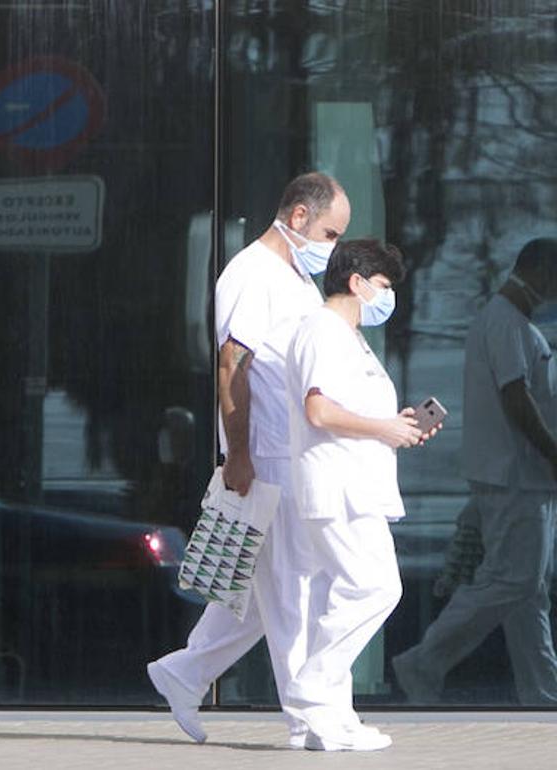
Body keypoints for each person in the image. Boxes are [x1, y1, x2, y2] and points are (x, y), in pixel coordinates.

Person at [146, 172, 349, 748]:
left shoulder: (293, 278)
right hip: (266, 456)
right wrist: (238, 454)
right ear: (299, 216)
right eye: (331, 231)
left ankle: (183, 673)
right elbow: (232, 365)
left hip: (289, 453)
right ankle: (309, 721)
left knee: (265, 591)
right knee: (289, 588)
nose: (332, 245)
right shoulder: (250, 274)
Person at [392, 237, 557, 705]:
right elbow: (516, 397)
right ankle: (424, 662)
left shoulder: (510, 323)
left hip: (520, 478)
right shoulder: (506, 323)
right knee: (512, 582)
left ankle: (541, 692)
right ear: (543, 272)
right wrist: (552, 452)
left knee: (527, 592)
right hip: (517, 478)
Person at [283, 238, 433, 751]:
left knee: (341, 595)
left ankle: (331, 719)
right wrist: (384, 430)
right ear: (357, 281)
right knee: (376, 588)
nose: (386, 298)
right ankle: (312, 686)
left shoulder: (346, 335)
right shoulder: (323, 331)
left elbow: (352, 411)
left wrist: (398, 428)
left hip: (353, 484)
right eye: (384, 286)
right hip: (338, 486)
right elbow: (319, 412)